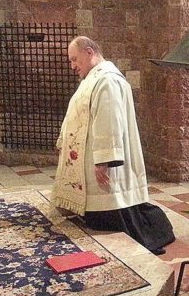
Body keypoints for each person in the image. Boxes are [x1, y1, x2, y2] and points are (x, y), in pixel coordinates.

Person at [51, 36, 174, 254]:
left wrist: (104, 160)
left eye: (74, 59)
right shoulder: (94, 78)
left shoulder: (107, 80)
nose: (72, 66)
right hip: (89, 154)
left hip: (102, 160)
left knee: (118, 205)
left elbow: (109, 121)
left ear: (89, 52)